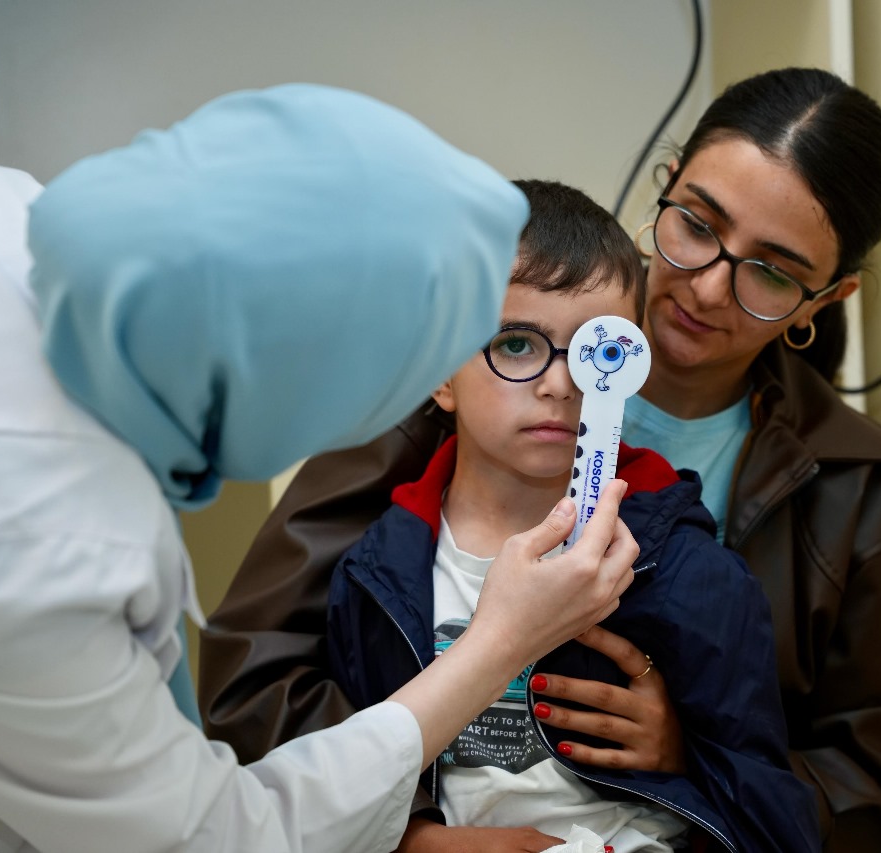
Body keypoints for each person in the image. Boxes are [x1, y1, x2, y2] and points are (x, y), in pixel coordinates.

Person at [201, 68, 881, 851]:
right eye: (696, 224)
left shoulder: (856, 498)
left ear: (826, 299)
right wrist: (411, 831)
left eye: (772, 271)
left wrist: (691, 759)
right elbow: (254, 679)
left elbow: (877, 803)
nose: (709, 288)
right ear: (666, 187)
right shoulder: (456, 372)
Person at [0, 85, 640, 853]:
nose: (557, 385)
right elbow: (215, 839)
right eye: (507, 347)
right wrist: (498, 643)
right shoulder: (34, 552)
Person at [324, 179, 819, 853]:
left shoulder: (689, 573)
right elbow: (338, 790)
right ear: (440, 370)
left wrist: (684, 753)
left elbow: (766, 811)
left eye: (597, 351)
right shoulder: (375, 575)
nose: (560, 384)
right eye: (516, 345)